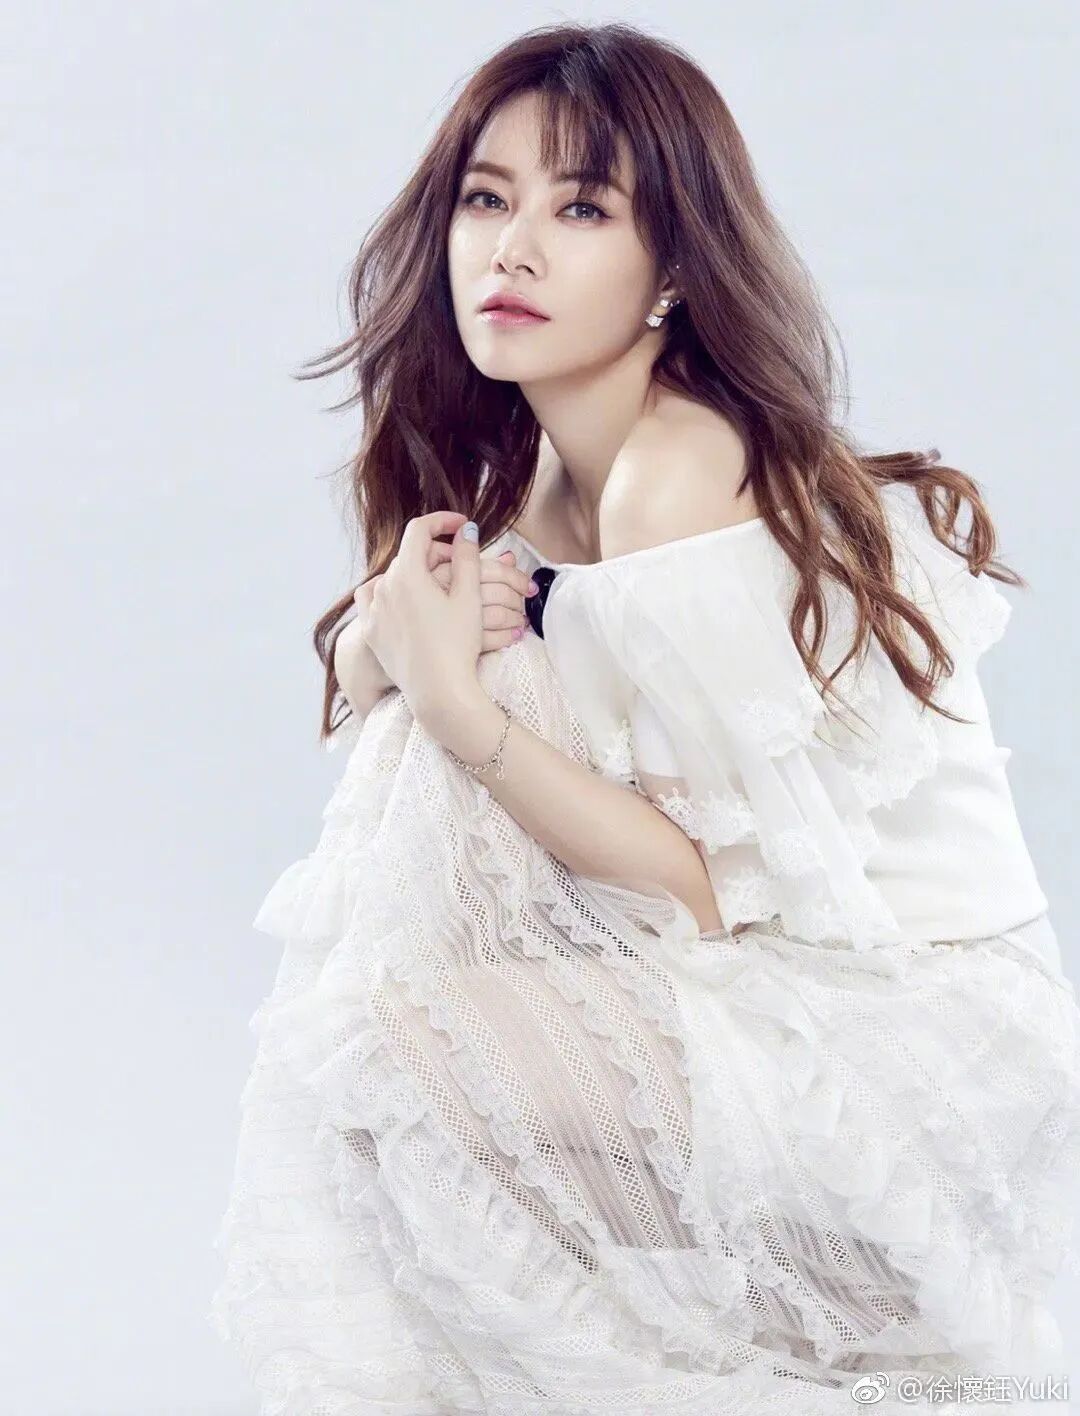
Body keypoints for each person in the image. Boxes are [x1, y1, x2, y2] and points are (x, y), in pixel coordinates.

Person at [210, 22, 1080, 1414]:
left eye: (581, 209)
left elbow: (701, 889)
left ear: (673, 266)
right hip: (749, 998)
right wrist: (389, 645)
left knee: (369, 1042)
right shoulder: (541, 483)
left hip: (903, 1048)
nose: (512, 251)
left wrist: (451, 698)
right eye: (486, 199)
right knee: (378, 983)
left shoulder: (678, 470)